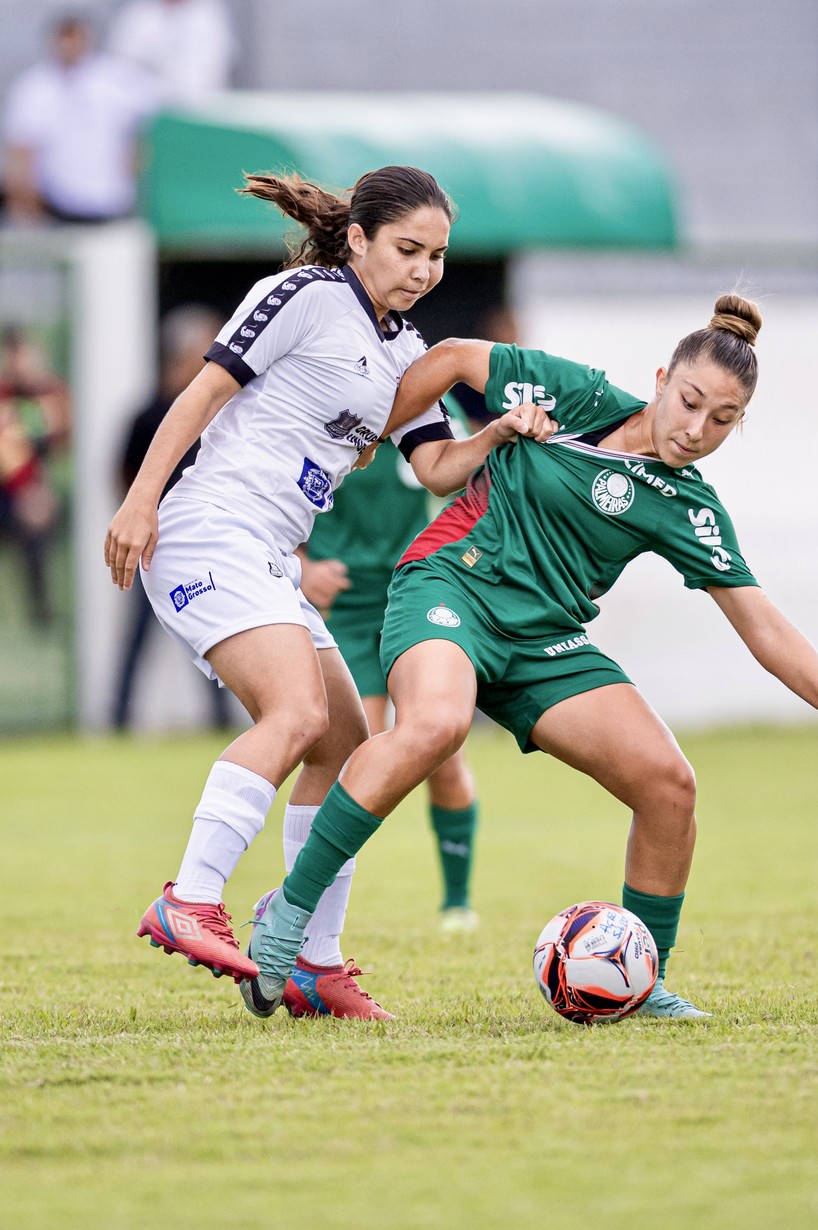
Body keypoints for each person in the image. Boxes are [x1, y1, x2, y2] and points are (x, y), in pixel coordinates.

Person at [241, 293, 818, 1023]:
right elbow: (451, 359)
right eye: (689, 401)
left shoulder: (688, 506)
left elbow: (763, 625)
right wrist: (369, 434)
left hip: (545, 641)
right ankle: (288, 918)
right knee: (436, 726)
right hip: (451, 586)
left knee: (669, 785)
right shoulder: (576, 394)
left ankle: (641, 981)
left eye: (722, 419)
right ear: (661, 380)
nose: (696, 429)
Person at [103, 165, 557, 1020]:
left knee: (349, 742)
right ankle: (190, 897)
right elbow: (201, 394)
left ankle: (312, 962)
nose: (424, 270)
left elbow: (436, 468)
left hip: (268, 553)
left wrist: (496, 432)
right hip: (210, 526)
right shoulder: (305, 296)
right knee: (298, 714)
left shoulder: (407, 353)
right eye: (408, 249)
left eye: (438, 256)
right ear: (357, 239)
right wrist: (140, 500)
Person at [299, 433, 483, 934]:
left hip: (417, 593)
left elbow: (486, 496)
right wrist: (301, 567)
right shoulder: (329, 415)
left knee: (442, 750)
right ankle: (307, 912)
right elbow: (267, 496)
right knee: (348, 755)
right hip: (344, 606)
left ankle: (457, 903)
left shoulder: (437, 425)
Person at [112, 305, 236, 730]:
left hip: (204, 539)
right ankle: (118, 718)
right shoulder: (149, 414)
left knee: (208, 630)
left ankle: (219, 719)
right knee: (139, 635)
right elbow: (124, 474)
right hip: (152, 543)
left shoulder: (221, 412)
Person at [2, 12, 158, 224]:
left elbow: (149, 126)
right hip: (58, 206)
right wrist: (25, 207)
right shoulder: (33, 88)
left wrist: (138, 163)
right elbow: (20, 152)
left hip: (116, 202)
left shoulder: (118, 79)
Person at [0, 325, 71, 627]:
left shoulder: (51, 394)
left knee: (35, 540)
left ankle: (40, 611)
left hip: (38, 492)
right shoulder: (6, 395)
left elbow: (62, 441)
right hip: (13, 493)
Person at [107, 0, 235, 103]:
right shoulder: (141, 10)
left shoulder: (208, 17)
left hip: (189, 100)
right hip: (138, 94)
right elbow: (120, 62)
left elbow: (197, 81)